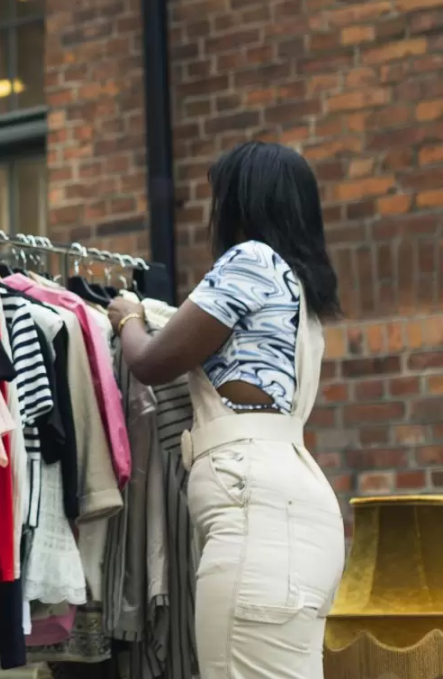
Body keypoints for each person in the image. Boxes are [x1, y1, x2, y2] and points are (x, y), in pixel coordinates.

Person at [106, 141, 345, 679]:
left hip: (254, 507)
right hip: (295, 509)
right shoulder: (303, 296)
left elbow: (152, 363)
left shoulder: (252, 261)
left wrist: (129, 318)